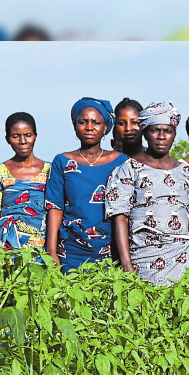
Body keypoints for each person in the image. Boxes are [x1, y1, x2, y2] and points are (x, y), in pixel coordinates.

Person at [105, 102, 189, 287]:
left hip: (186, 259)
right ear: (145, 133)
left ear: (174, 134)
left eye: (167, 131)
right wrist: (127, 266)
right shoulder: (129, 169)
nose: (161, 136)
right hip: (145, 259)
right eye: (155, 130)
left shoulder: (185, 172)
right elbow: (120, 218)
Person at [45, 97, 128, 272]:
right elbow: (55, 207)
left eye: (96, 122)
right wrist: (51, 251)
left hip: (111, 253)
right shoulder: (62, 162)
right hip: (71, 251)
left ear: (105, 128)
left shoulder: (120, 161)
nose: (89, 127)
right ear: (75, 125)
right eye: (83, 122)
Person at [0, 112, 49, 250]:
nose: (23, 141)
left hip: (42, 249)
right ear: (7, 139)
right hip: (6, 249)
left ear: (35, 136)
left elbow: (56, 212)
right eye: (16, 136)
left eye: (28, 135)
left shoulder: (49, 171)